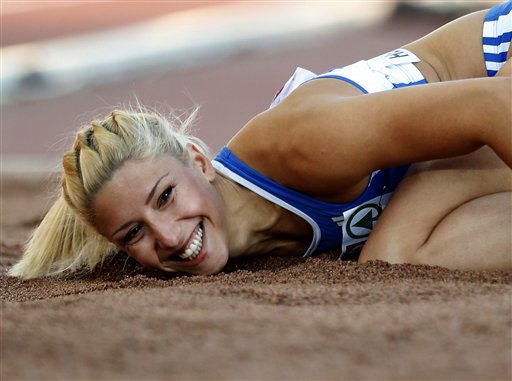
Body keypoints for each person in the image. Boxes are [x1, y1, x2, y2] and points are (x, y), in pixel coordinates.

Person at [9, 1, 512, 279]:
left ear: (200, 160)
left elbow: (493, 104)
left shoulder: (303, 146)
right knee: (396, 256)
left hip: (499, 71)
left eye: (165, 197)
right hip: (471, 133)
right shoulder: (244, 233)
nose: (166, 236)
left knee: (393, 257)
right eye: (133, 235)